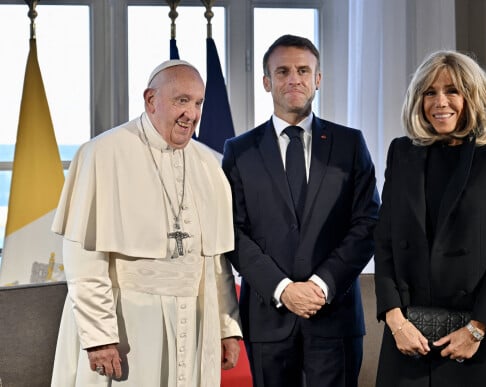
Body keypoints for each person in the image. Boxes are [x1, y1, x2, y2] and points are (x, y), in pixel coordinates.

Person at [50, 59, 242, 386]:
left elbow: (215, 261)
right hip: (126, 325)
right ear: (151, 100)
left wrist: (226, 327)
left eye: (198, 103)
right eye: (181, 100)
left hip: (193, 326)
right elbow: (84, 260)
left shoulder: (210, 165)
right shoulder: (103, 153)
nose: (192, 114)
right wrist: (99, 336)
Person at [221, 34, 380, 387]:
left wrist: (321, 286)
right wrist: (283, 289)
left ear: (318, 79)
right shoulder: (239, 151)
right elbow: (232, 231)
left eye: (303, 70)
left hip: (334, 318)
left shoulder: (350, 145)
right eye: (282, 71)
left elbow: (367, 223)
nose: (294, 78)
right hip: (268, 320)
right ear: (267, 82)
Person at [374, 50, 486, 386]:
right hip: (408, 339)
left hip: (475, 341)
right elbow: (384, 245)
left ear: (473, 96)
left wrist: (476, 330)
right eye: (430, 92)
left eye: (452, 91)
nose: (440, 102)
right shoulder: (401, 152)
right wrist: (396, 322)